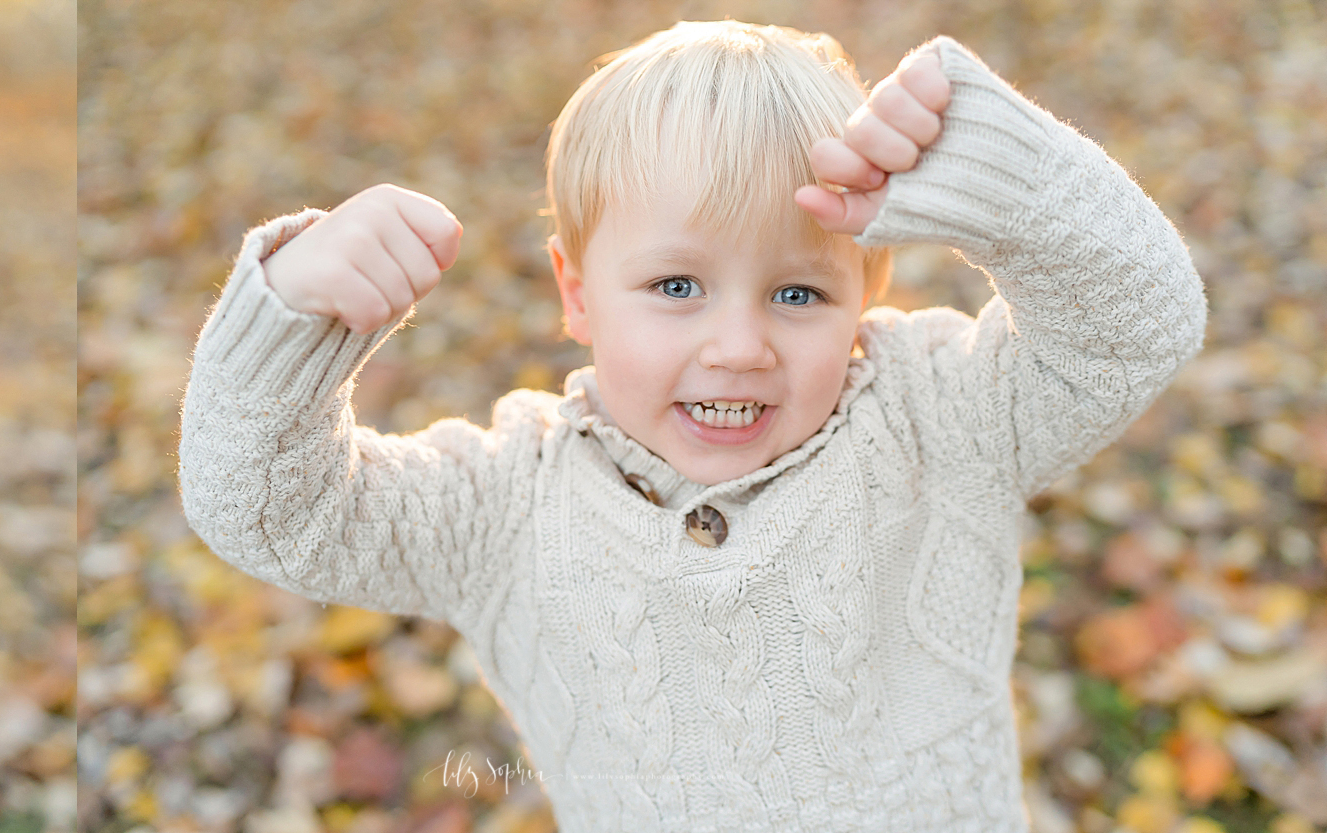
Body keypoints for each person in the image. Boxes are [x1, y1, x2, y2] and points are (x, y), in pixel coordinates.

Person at [177, 21, 1205, 830]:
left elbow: (1136, 323)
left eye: (798, 293)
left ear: (868, 284)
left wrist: (1002, 177)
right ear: (575, 296)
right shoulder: (502, 501)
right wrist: (293, 314)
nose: (739, 345)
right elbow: (271, 512)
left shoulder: (943, 414)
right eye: (676, 284)